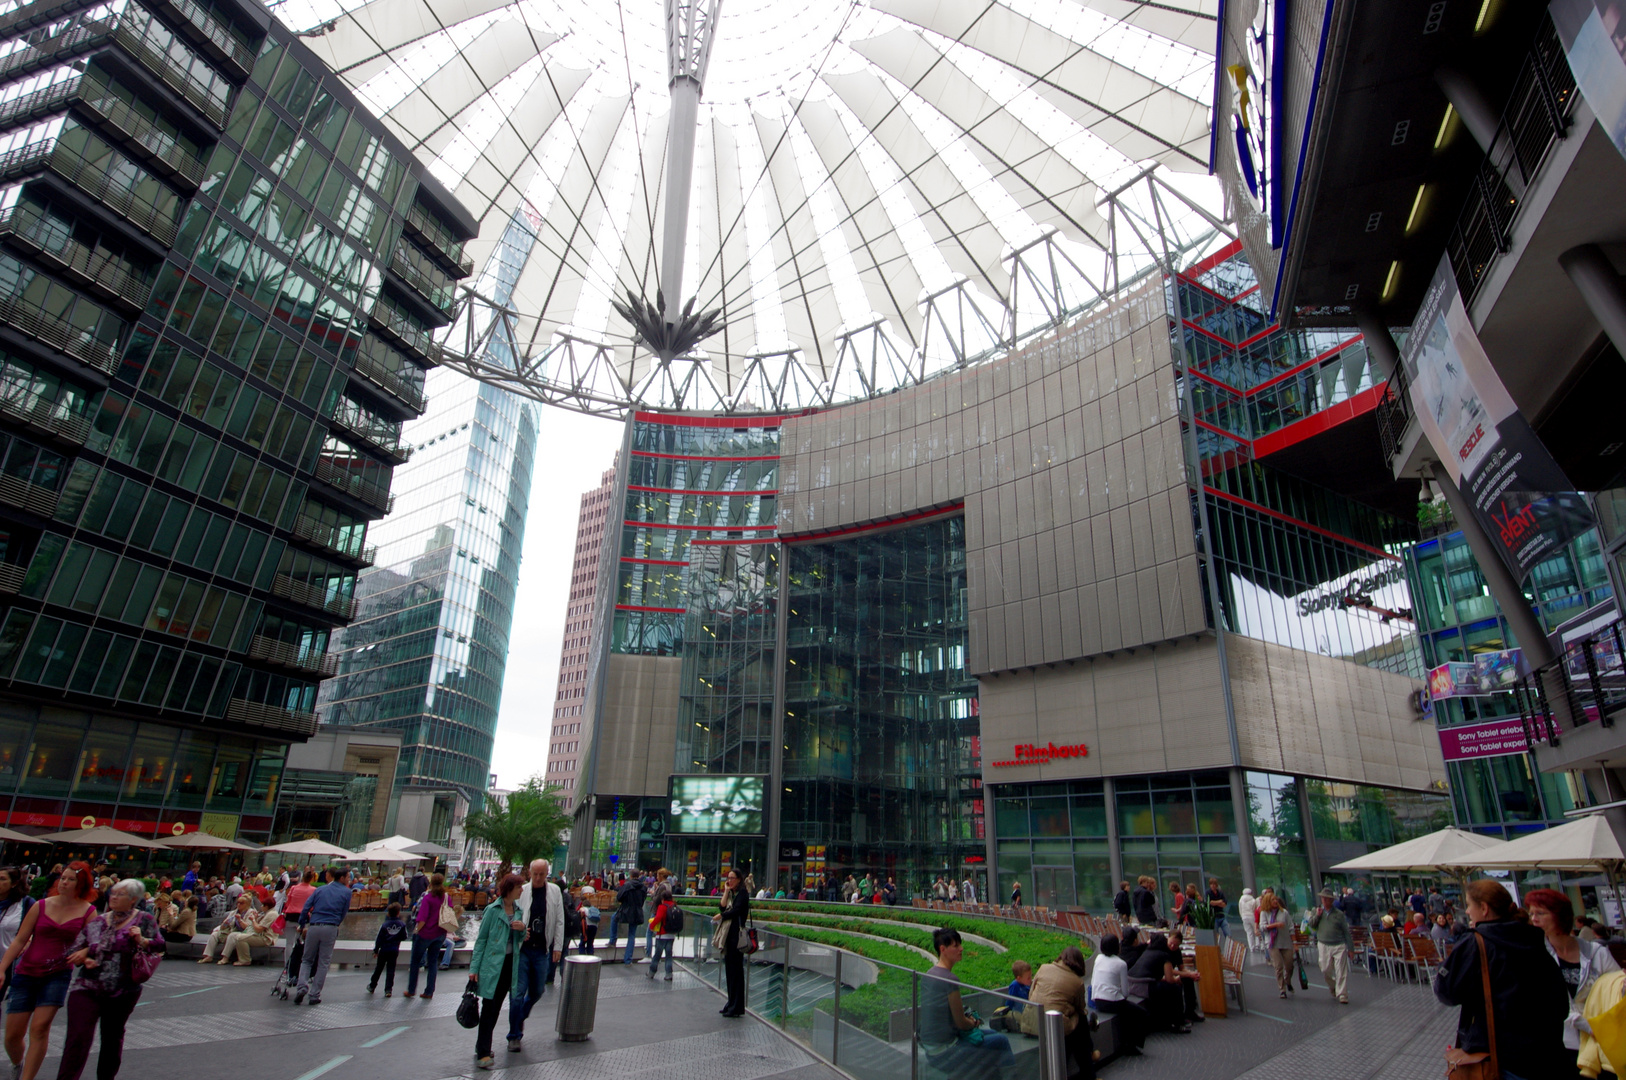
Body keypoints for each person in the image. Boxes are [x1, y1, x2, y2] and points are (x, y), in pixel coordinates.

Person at [1434, 879, 1568, 1080]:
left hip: (1501, 1062)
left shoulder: (1475, 942)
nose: (1468, 912)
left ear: (1484, 908)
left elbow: (1447, 992)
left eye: (1469, 905)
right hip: (1548, 1058)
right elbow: (1560, 1003)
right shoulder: (1533, 938)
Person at [54, 879, 163, 1080]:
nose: (113, 897)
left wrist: (141, 939)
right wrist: (84, 958)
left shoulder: (144, 920)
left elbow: (159, 945)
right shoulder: (98, 921)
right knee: (77, 1037)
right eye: (113, 893)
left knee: (112, 1038)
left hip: (123, 990)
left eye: (120, 894)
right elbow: (73, 950)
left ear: (133, 900)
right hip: (87, 986)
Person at [0, 863, 96, 1080]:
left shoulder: (88, 910)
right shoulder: (41, 905)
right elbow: (20, 940)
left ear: (81, 884)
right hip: (26, 972)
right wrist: (2, 968)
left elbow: (97, 940)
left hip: (57, 974)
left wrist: (85, 951)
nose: (64, 882)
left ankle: (27, 1077)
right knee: (12, 1035)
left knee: (40, 1028)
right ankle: (18, 1062)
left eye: (71, 879)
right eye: (63, 878)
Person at [1526, 887, 1619, 1075]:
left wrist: (1600, 1025)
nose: (1534, 918)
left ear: (1560, 916)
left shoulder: (1596, 952)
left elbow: (1617, 990)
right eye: (1531, 913)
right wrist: (1581, 1022)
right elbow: (1539, 1003)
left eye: (1540, 913)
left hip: (1603, 1045)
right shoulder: (1534, 957)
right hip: (1560, 1046)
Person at [919, 928, 1014, 1080]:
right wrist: (973, 1022)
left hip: (932, 1047)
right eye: (956, 946)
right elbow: (961, 1023)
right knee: (1001, 1040)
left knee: (992, 1035)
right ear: (943, 949)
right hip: (946, 1051)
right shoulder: (950, 979)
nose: (961, 949)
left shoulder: (929, 974)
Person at [469, 874, 525, 1070]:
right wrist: (474, 968)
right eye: (519, 887)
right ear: (510, 888)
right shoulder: (492, 911)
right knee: (489, 1008)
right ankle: (483, 1051)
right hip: (493, 966)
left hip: (510, 964)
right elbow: (481, 940)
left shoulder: (518, 911)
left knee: (496, 1008)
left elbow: (520, 939)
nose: (522, 890)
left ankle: (482, 1046)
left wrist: (523, 929)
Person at [508, 859, 563, 1051]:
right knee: (516, 994)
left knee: (537, 991)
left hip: (542, 951)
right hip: (522, 950)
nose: (538, 878)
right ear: (530, 873)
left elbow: (559, 920)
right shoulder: (522, 891)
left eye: (542, 874)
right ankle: (514, 1035)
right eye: (535, 874)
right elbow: (513, 914)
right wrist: (519, 929)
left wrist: (558, 947)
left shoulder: (555, 891)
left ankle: (520, 1016)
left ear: (547, 872)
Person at [1027, 946, 1096, 1080]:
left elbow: (1031, 995)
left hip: (1032, 1020)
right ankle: (1089, 1067)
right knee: (1080, 1021)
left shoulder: (1043, 968)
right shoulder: (1077, 982)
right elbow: (1081, 1008)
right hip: (1054, 1027)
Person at [294, 866, 353, 1005]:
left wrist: (302, 924)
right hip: (331, 927)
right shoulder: (346, 892)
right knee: (323, 962)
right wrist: (336, 923)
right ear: (342, 878)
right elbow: (344, 912)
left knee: (307, 959)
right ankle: (314, 994)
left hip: (314, 926)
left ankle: (301, 986)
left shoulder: (320, 889)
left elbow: (306, 907)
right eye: (348, 877)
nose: (349, 880)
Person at [1128, 931, 1198, 1032]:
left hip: (1131, 983)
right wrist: (1177, 979)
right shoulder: (1164, 956)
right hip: (1143, 986)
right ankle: (1177, 1022)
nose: (1172, 946)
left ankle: (1170, 1020)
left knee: (1164, 988)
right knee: (1175, 989)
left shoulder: (1148, 952)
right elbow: (1170, 980)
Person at [1089, 935, 1147, 1055]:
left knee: (1126, 1010)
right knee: (1140, 1013)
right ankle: (1133, 1045)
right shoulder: (1121, 964)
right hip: (1113, 1001)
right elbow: (1125, 992)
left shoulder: (1098, 958)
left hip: (1098, 1000)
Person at [406, 872, 450, 999]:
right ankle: (429, 991)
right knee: (433, 962)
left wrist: (416, 931)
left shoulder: (428, 897)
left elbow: (422, 918)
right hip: (440, 933)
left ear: (430, 883)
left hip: (425, 934)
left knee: (415, 961)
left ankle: (411, 989)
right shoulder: (446, 897)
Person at [714, 869, 750, 1017]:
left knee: (736, 971)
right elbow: (722, 906)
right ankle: (730, 1002)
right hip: (729, 935)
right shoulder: (732, 893)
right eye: (728, 877)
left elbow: (736, 911)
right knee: (729, 970)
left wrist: (721, 916)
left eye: (732, 878)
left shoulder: (743, 893)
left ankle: (737, 1006)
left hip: (737, 934)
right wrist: (726, 891)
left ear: (739, 879)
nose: (729, 880)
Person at [1308, 888, 1353, 1004]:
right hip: (1323, 944)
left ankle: (1342, 994)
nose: (1324, 901)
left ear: (1332, 900)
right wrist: (1317, 916)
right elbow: (1311, 925)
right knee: (1325, 969)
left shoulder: (1339, 914)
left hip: (1339, 944)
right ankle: (1333, 986)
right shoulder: (1317, 911)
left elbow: (1346, 931)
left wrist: (1351, 948)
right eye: (1323, 898)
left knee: (1341, 971)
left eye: (1327, 899)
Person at [1258, 892, 1295, 999]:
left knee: (1289, 966)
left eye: (1276, 899)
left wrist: (1295, 943)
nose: (1275, 901)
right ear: (1268, 902)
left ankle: (1287, 981)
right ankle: (1282, 989)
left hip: (1285, 942)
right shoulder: (1264, 913)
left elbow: (1291, 927)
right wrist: (1275, 925)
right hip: (1272, 943)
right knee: (1278, 966)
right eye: (1272, 900)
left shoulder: (1284, 913)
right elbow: (1262, 927)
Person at [222, 901, 278, 966]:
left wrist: (253, 919)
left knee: (240, 938)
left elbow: (258, 929)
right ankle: (225, 957)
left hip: (266, 938)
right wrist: (256, 918)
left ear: (267, 906)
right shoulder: (267, 913)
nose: (261, 906)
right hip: (258, 935)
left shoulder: (271, 914)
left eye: (262, 905)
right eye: (238, 903)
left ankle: (245, 960)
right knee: (234, 935)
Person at [369, 903, 408, 997]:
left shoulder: (384, 925)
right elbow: (404, 936)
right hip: (394, 949)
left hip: (384, 949)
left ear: (388, 914)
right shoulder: (402, 924)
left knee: (379, 968)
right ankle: (388, 990)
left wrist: (376, 950)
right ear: (398, 913)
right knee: (391, 969)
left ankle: (372, 986)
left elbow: (379, 938)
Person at [610, 874, 646, 965]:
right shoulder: (643, 887)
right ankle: (628, 959)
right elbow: (643, 898)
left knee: (614, 918)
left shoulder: (627, 885)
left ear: (630, 876)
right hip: (637, 911)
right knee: (632, 935)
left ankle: (613, 940)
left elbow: (619, 897)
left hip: (625, 910)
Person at [647, 883, 678, 981]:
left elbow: (658, 918)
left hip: (661, 935)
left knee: (657, 955)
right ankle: (669, 974)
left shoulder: (662, 907)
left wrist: (651, 927)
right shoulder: (674, 906)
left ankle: (651, 972)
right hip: (671, 935)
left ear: (663, 898)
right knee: (669, 955)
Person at [578, 888, 599, 955]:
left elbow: (580, 916)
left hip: (586, 927)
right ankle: (590, 956)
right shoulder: (594, 909)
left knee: (582, 943)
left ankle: (582, 957)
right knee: (590, 942)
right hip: (594, 927)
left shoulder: (582, 909)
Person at [1238, 887, 1259, 952]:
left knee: (1249, 932)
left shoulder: (1241, 900)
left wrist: (1242, 916)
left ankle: (1251, 947)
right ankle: (1257, 945)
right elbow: (1254, 909)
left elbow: (1240, 909)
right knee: (1256, 930)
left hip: (1244, 917)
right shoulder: (1253, 900)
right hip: (1252, 916)